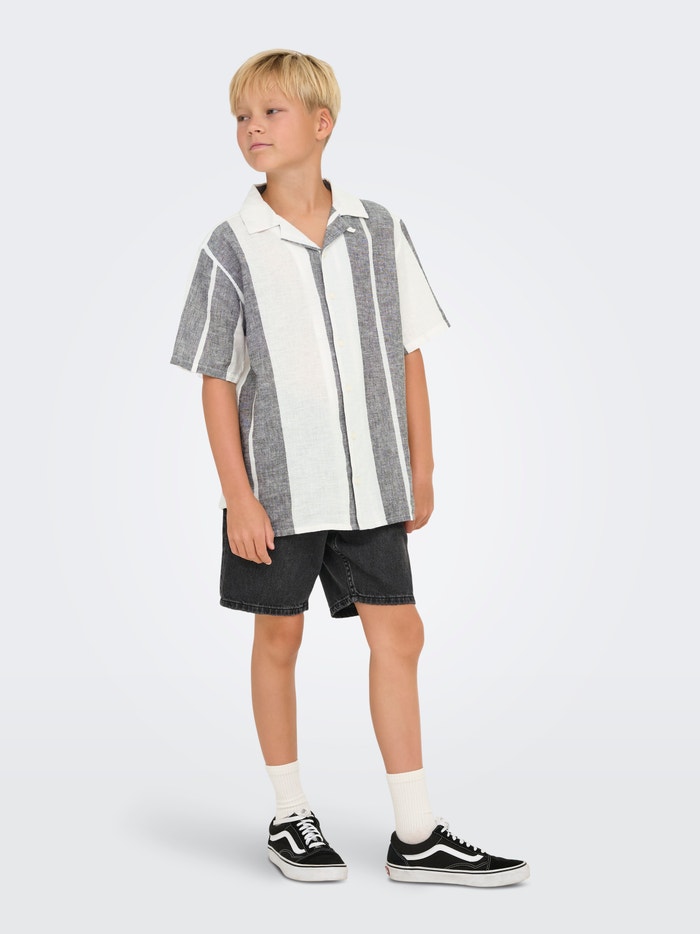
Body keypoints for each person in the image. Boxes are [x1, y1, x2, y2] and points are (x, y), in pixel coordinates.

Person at [170, 48, 529, 887]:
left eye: (272, 112)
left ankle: (417, 832)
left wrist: (422, 468)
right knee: (278, 634)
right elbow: (217, 378)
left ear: (321, 123)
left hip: (372, 483)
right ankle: (289, 812)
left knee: (400, 632)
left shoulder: (378, 230)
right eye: (242, 117)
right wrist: (237, 498)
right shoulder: (231, 245)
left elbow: (407, 352)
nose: (252, 128)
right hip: (278, 491)